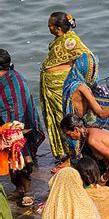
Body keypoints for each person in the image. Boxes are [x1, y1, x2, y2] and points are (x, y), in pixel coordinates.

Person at [40, 12, 90, 166]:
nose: (48, 27)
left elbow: (86, 57)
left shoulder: (71, 40)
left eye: (50, 25)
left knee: (65, 118)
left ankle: (72, 155)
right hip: (51, 86)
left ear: (59, 28)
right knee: (55, 119)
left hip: (60, 86)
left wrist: (69, 70)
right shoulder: (59, 39)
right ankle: (63, 153)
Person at [0, 49, 45, 206]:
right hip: (5, 124)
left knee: (19, 156)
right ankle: (18, 188)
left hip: (19, 127)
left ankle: (27, 190)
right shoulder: (5, 78)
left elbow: (18, 107)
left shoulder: (14, 81)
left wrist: (15, 130)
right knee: (8, 157)